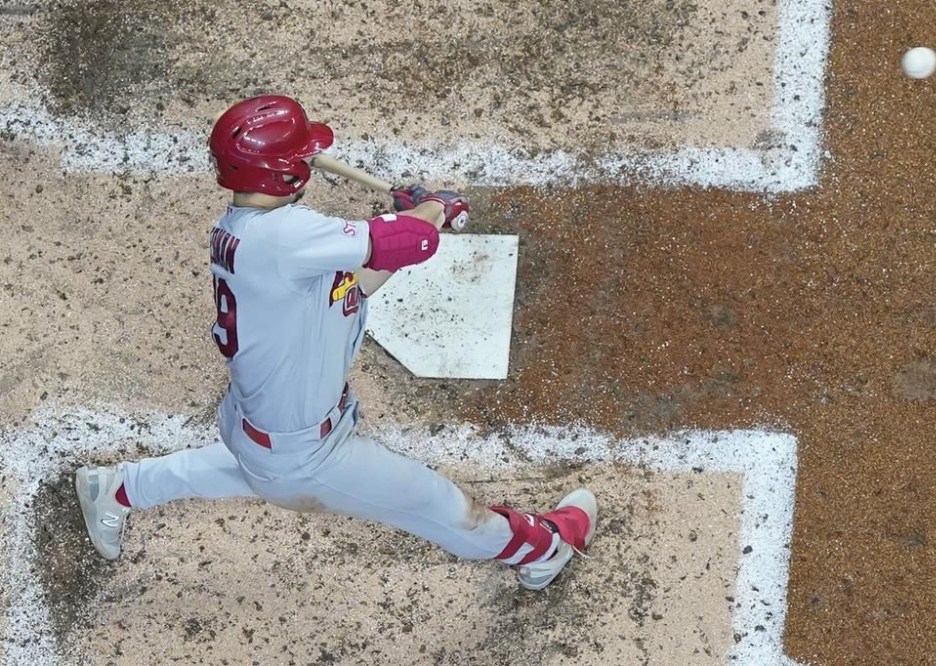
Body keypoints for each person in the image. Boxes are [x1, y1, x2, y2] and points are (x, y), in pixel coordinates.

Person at [75, 94, 597, 591]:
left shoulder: (241, 230)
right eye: (302, 155)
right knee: (443, 508)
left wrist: (406, 220)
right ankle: (545, 549)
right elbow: (412, 240)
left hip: (257, 424)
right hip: (303, 452)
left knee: (251, 470)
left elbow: (349, 286)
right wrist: (434, 209)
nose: (310, 160)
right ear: (285, 173)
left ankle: (119, 487)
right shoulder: (285, 235)